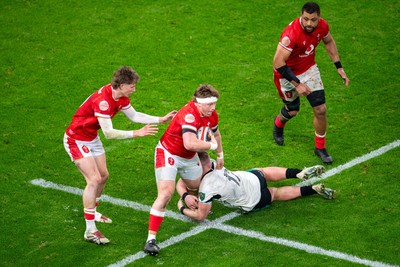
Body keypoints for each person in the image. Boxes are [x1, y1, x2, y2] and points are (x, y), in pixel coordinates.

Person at [63, 66, 177, 245]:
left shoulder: (121, 97)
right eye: (132, 86)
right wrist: (136, 134)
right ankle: (90, 230)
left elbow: (134, 116)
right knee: (93, 180)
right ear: (122, 85)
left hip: (91, 137)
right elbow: (108, 133)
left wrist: (160, 119)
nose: (134, 89)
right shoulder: (103, 102)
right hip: (76, 139)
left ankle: (94, 210)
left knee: (103, 176)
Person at [144, 84, 224, 256]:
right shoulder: (189, 115)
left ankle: (186, 197)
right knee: (165, 193)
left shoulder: (211, 114)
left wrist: (220, 155)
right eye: (210, 104)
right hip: (168, 153)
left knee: (195, 184)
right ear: (199, 103)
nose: (213, 108)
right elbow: (189, 143)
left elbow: (216, 134)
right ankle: (150, 240)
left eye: (214, 104)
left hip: (188, 157)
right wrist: (211, 145)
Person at [272, 2, 350, 164]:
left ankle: (320, 148)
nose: (309, 23)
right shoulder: (291, 35)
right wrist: (297, 84)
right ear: (301, 16)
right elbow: (278, 62)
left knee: (320, 109)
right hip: (286, 74)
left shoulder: (322, 26)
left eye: (313, 20)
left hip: (309, 70)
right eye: (306, 19)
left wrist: (339, 67)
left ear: (319, 18)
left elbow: (328, 42)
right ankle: (278, 124)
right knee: (292, 111)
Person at [176, 152, 335, 221]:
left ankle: (312, 189)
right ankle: (299, 173)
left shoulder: (206, 189)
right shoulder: (212, 163)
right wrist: (186, 194)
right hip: (251, 178)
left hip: (253, 200)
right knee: (265, 172)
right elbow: (183, 182)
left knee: (275, 193)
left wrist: (182, 208)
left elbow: (201, 216)